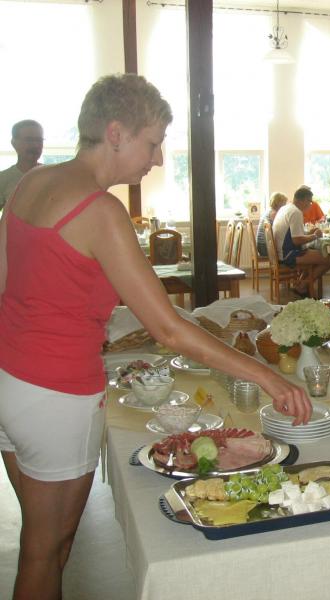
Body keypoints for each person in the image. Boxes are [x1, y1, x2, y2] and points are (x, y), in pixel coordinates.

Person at [0, 74, 312, 600]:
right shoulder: (101, 211)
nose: (159, 158)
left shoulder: (28, 185)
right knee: (46, 551)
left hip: (10, 381)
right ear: (115, 133)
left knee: (41, 543)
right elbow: (166, 326)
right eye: (153, 142)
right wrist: (267, 377)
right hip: (55, 395)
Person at [272, 185, 330, 297]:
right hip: (288, 255)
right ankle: (302, 285)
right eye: (310, 202)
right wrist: (314, 236)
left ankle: (300, 284)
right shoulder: (296, 212)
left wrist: (309, 233)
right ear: (304, 200)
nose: (310, 205)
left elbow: (293, 234)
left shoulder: (285, 208)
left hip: (280, 252)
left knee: (314, 253)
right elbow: (297, 240)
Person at [0, 120, 44, 211]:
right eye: (29, 140)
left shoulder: (53, 176)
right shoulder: (3, 179)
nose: (35, 145)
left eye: (39, 140)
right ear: (14, 143)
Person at [256, 191, 288, 257]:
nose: (285, 206)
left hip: (261, 245)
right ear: (279, 203)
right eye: (284, 203)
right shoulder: (274, 213)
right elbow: (280, 230)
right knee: (288, 251)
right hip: (265, 247)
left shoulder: (269, 211)